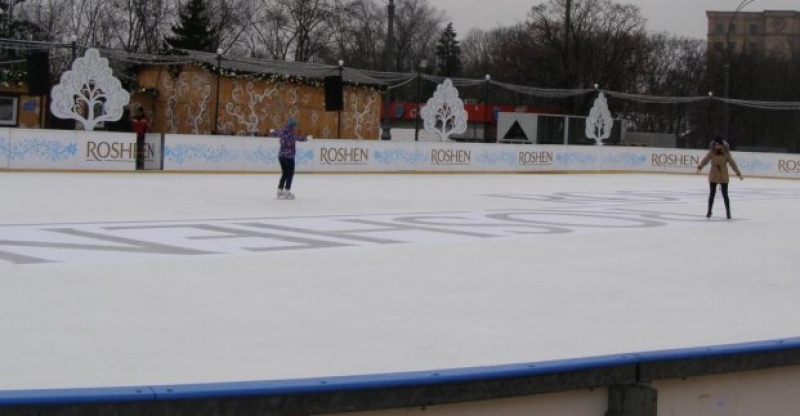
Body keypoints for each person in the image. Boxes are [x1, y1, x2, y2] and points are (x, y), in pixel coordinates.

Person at [697, 137, 743, 219]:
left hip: (723, 175)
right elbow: (706, 160)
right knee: (712, 194)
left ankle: (728, 212)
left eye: (719, 145)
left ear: (722, 145)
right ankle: (709, 211)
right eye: (716, 145)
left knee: (725, 194)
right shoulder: (712, 152)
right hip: (713, 174)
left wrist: (738, 173)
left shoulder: (726, 153)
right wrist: (700, 166)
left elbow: (732, 163)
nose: (717, 147)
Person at [276, 118, 309, 199]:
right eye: (295, 125)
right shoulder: (291, 133)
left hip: (281, 156)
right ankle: (287, 191)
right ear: (293, 126)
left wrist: (272, 131)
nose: (295, 127)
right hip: (289, 157)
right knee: (290, 175)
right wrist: (306, 138)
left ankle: (279, 190)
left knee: (284, 174)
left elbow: (274, 133)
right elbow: (300, 138)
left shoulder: (282, 131)